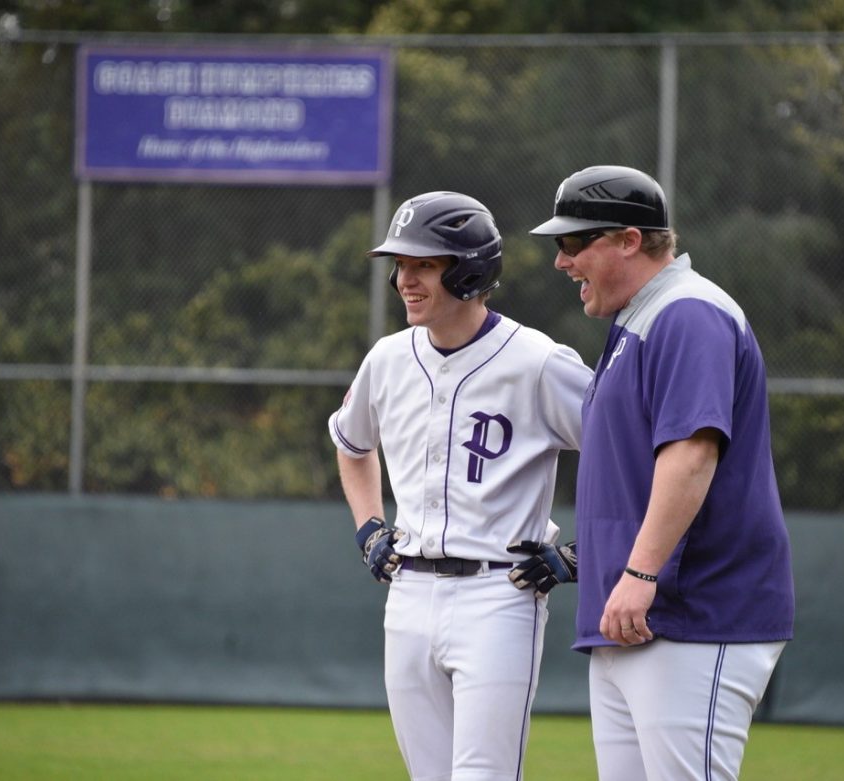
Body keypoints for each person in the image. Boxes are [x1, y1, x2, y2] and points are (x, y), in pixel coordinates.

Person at [519, 165, 795, 781]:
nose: (561, 263)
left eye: (572, 243)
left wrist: (639, 570)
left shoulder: (688, 312)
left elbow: (692, 455)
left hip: (694, 613)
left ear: (628, 239)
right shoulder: (638, 322)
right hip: (637, 618)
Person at [328, 190, 593, 781]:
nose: (404, 280)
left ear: (470, 270)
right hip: (409, 595)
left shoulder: (538, 362)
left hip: (499, 596)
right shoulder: (387, 359)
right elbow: (351, 445)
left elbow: (635, 453)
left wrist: (586, 552)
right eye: (401, 264)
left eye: (424, 263)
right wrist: (369, 524)